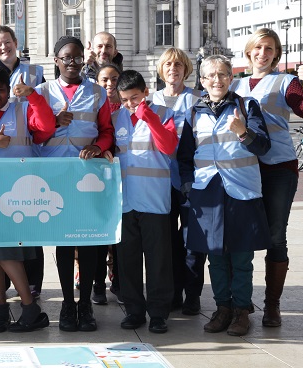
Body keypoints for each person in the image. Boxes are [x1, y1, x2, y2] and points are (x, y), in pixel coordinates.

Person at [231, 28, 303, 328]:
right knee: (240, 237)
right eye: (257, 47)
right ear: (248, 51)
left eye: (269, 48)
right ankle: (239, 301)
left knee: (275, 236)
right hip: (244, 167)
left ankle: (272, 305)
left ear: (276, 53)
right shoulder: (236, 83)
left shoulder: (286, 82)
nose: (262, 53)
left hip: (277, 168)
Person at [178, 55, 272, 336]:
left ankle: (242, 310)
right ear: (203, 81)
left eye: (222, 74)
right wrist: (187, 186)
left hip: (241, 190)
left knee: (241, 257)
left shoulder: (246, 105)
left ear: (231, 78)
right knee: (215, 257)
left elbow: (263, 147)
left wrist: (243, 132)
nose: (216, 80)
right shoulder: (193, 112)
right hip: (207, 191)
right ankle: (223, 309)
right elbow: (184, 156)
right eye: (210, 76)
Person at [34, 36, 114, 332]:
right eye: (66, 58)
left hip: (86, 176)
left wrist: (97, 147)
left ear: (85, 60)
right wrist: (53, 123)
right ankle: (68, 303)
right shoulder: (42, 92)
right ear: (56, 61)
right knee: (65, 242)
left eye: (77, 58)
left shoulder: (96, 93)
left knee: (89, 239)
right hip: (55, 176)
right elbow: (34, 135)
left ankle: (86, 303)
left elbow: (107, 131)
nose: (72, 63)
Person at [0, 65, 56, 333]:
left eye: (1, 89)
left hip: (19, 193)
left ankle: (30, 309)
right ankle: (2, 310)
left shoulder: (22, 107)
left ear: (9, 89)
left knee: (6, 251)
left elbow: (46, 127)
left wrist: (33, 96)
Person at [0, 25, 47, 299]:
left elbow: (42, 114)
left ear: (16, 42)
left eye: (7, 42)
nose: (3, 47)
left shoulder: (34, 72)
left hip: (24, 170)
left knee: (27, 233)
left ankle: (32, 284)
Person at [112, 70, 177, 334]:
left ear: (146, 92)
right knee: (127, 260)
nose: (130, 104)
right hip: (125, 200)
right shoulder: (116, 117)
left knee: (158, 260)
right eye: (125, 99)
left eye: (135, 98)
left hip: (154, 199)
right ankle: (134, 310)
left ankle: (159, 313)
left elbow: (168, 146)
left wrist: (147, 116)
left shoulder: (163, 113)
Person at [151, 47, 206, 316]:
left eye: (179, 65)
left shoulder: (200, 99)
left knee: (193, 239)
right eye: (168, 65)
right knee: (168, 241)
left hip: (192, 178)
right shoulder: (151, 100)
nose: (174, 69)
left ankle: (193, 293)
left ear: (187, 69)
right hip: (159, 180)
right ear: (161, 70)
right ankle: (172, 291)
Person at [91, 63, 122, 306]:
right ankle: (98, 284)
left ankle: (119, 281)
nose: (109, 83)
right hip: (98, 176)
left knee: (120, 236)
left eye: (114, 78)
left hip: (123, 178)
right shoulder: (95, 104)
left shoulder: (129, 105)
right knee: (101, 235)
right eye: (104, 79)